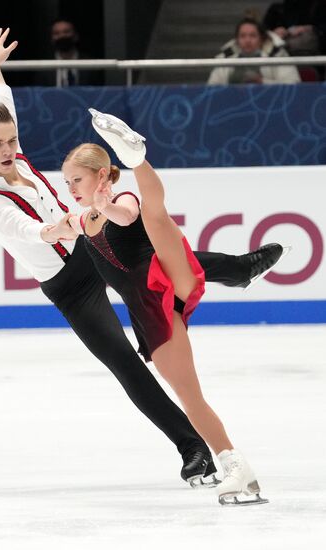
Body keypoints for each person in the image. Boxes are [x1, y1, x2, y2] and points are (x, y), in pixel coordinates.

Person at [0, 29, 282, 493]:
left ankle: (235, 270)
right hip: (66, 281)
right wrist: (69, 224)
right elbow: (32, 230)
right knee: (126, 363)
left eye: (11, 140)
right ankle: (192, 448)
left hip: (85, 244)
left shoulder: (13, 148)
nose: (8, 149)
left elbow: (2, 103)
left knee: (149, 259)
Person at [60, 110, 269, 506]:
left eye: (78, 179)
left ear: (102, 175)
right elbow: (55, 229)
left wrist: (106, 206)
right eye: (67, 181)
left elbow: (128, 214)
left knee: (157, 218)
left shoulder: (119, 199)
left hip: (166, 277)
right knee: (189, 396)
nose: (71, 187)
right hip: (149, 314)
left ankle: (137, 158)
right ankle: (235, 465)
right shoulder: (81, 217)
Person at [208, 17, 301, 85]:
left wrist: (262, 82)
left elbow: (293, 85)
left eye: (253, 35)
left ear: (262, 39)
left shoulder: (277, 55)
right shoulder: (225, 58)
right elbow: (211, 88)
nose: (247, 40)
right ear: (237, 40)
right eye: (243, 36)